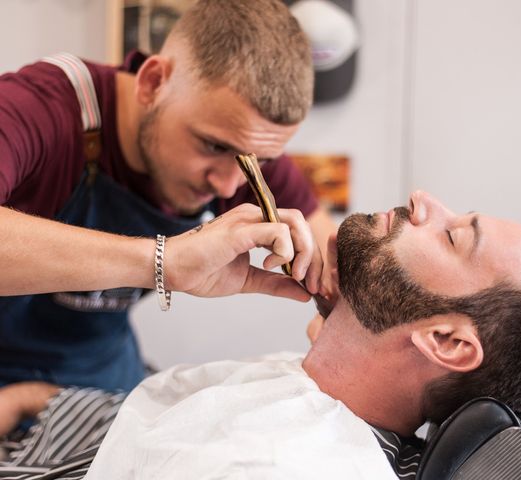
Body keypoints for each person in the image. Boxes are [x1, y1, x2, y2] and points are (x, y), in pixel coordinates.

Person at [0, 190, 521, 479]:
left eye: (454, 236)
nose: (423, 201)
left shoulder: (288, 464)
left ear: (446, 341)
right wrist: (28, 399)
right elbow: (140, 420)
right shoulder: (314, 390)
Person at [0, 0, 335, 393]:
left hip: (98, 377)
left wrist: (337, 313)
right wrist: (166, 261)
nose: (228, 186)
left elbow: (329, 257)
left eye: (257, 161)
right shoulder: (38, 107)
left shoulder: (244, 148)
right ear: (153, 82)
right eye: (211, 146)